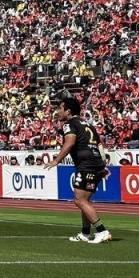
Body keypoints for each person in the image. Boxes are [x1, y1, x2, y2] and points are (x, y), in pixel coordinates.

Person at [44, 97, 111, 244]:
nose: (58, 112)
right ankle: (85, 233)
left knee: (79, 200)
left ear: (68, 111)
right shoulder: (88, 124)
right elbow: (99, 145)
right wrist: (103, 165)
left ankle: (102, 231)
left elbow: (69, 143)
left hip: (86, 164)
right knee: (84, 201)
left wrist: (56, 160)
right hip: (96, 163)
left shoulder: (69, 124)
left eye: (60, 108)